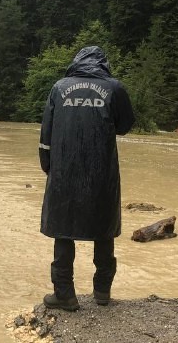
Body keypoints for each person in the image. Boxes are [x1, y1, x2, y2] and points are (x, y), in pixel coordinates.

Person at [39, 46, 135, 311]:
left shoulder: (59, 87)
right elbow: (125, 125)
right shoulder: (114, 88)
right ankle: (102, 292)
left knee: (63, 230)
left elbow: (46, 131)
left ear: (76, 62)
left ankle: (64, 294)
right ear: (103, 63)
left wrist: (48, 166)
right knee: (103, 231)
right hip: (102, 173)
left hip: (63, 173)